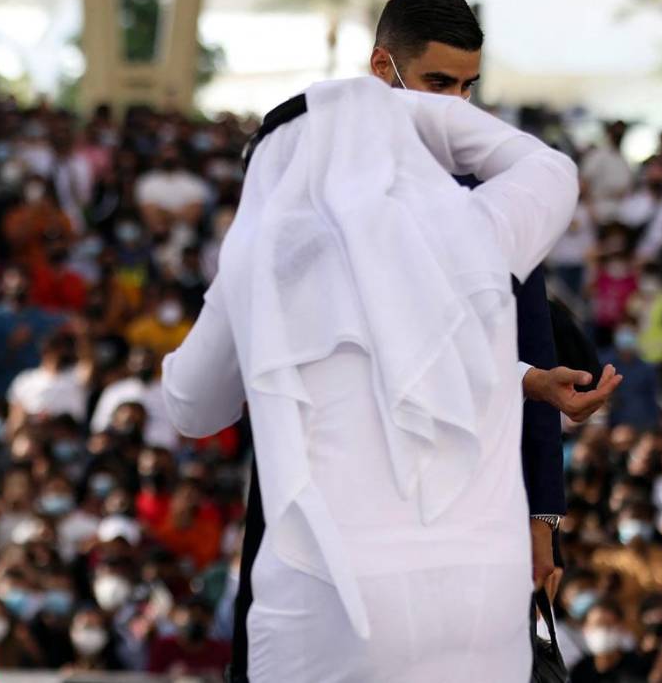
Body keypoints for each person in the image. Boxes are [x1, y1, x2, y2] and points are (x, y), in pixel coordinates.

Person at [224, 0, 621, 683]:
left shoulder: (491, 183)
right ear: (384, 68)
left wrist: (543, 522)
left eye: (468, 86)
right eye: (438, 81)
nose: (456, 104)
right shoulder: (302, 167)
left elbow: (527, 342)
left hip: (459, 506)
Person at [163, 76, 580, 679]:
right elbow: (549, 167)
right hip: (479, 602)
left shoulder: (261, 269)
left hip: (333, 610)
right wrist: (400, 111)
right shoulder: (477, 232)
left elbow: (190, 407)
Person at [570, 600, 649, 682]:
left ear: (621, 627)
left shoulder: (639, 667)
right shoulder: (579, 671)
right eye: (597, 624)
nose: (603, 630)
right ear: (585, 629)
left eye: (609, 625)